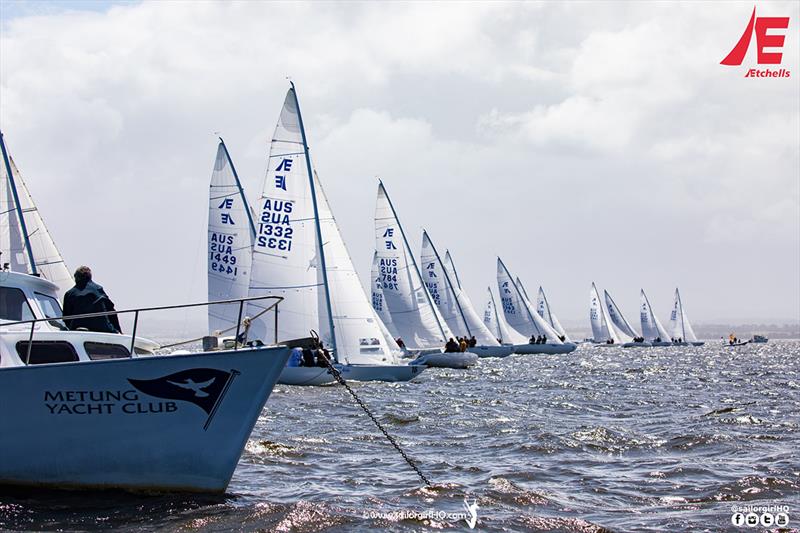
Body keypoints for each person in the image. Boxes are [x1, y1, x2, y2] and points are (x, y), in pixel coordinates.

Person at [62, 266, 121, 333]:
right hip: (102, 328)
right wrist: (118, 331)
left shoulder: (69, 294)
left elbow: (66, 318)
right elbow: (111, 312)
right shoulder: (98, 289)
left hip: (76, 328)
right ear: (90, 277)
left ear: (76, 278)